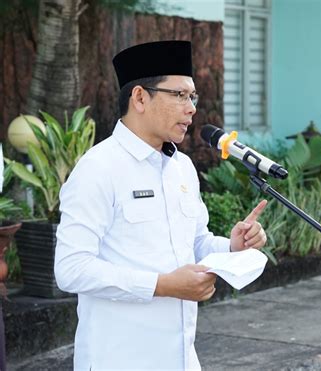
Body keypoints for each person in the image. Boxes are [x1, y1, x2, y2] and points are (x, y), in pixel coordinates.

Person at [54, 40, 268, 370]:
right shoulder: (99, 168)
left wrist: (232, 245)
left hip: (181, 357)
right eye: (179, 95)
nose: (192, 107)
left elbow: (194, 243)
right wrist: (162, 286)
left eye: (192, 96)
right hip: (120, 358)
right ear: (140, 97)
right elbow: (71, 269)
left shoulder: (181, 166)